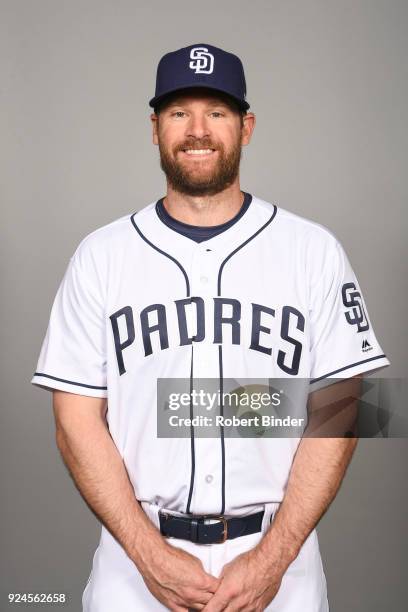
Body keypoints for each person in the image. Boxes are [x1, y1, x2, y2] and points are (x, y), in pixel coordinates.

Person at [31, 43, 390, 611]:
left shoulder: (312, 250)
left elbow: (348, 406)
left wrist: (274, 559)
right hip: (135, 562)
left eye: (217, 112)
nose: (198, 130)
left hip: (280, 561)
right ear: (155, 128)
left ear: (246, 127)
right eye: (179, 112)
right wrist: (148, 555)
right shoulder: (100, 256)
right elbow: (74, 422)